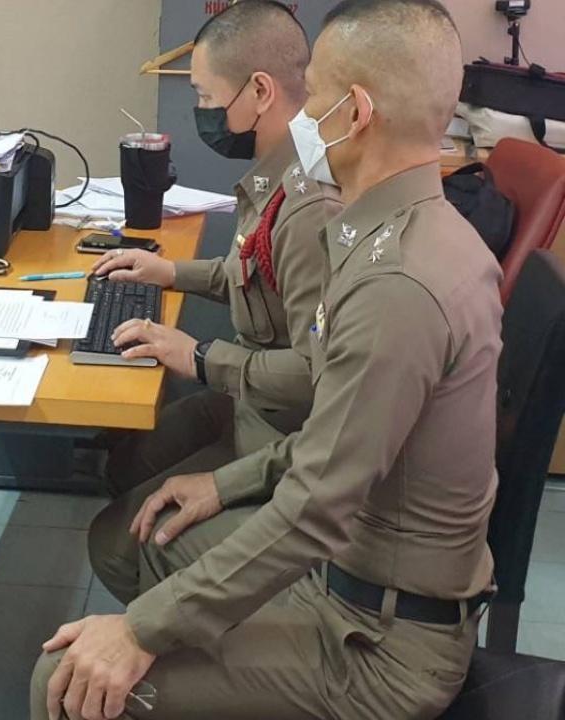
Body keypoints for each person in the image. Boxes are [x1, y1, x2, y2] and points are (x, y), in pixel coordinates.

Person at [31, 1, 502, 718]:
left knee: (63, 684)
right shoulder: (408, 236)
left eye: (314, 95)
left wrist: (139, 631)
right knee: (145, 542)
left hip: (375, 643)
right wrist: (226, 484)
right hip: (355, 580)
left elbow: (316, 507)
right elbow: (333, 441)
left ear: (356, 112)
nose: (303, 114)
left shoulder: (398, 285)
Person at [87, 0, 340, 603]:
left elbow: (319, 375)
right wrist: (169, 271)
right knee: (126, 464)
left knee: (114, 544)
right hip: (253, 404)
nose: (201, 111)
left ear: (260, 91)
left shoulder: (310, 205)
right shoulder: (278, 172)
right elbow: (255, 274)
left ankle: (212, 639)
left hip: (285, 430)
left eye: (206, 96)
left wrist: (200, 358)